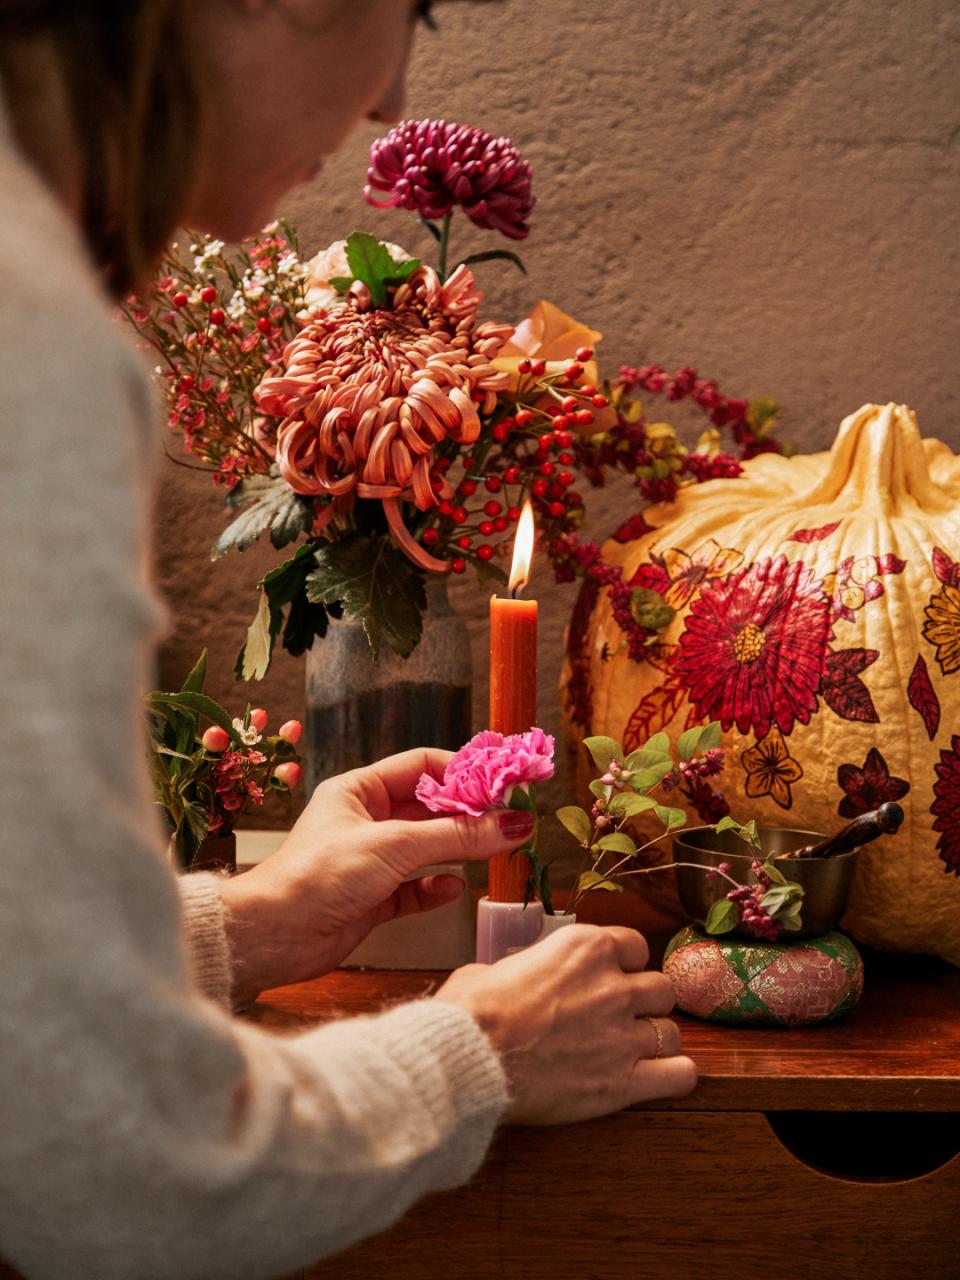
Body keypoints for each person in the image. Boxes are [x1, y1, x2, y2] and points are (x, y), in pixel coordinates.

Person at [0, 2, 697, 1276]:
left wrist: (246, 926)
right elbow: (112, 1169)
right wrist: (476, 1053)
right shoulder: (27, 328)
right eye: (411, 10)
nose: (389, 102)